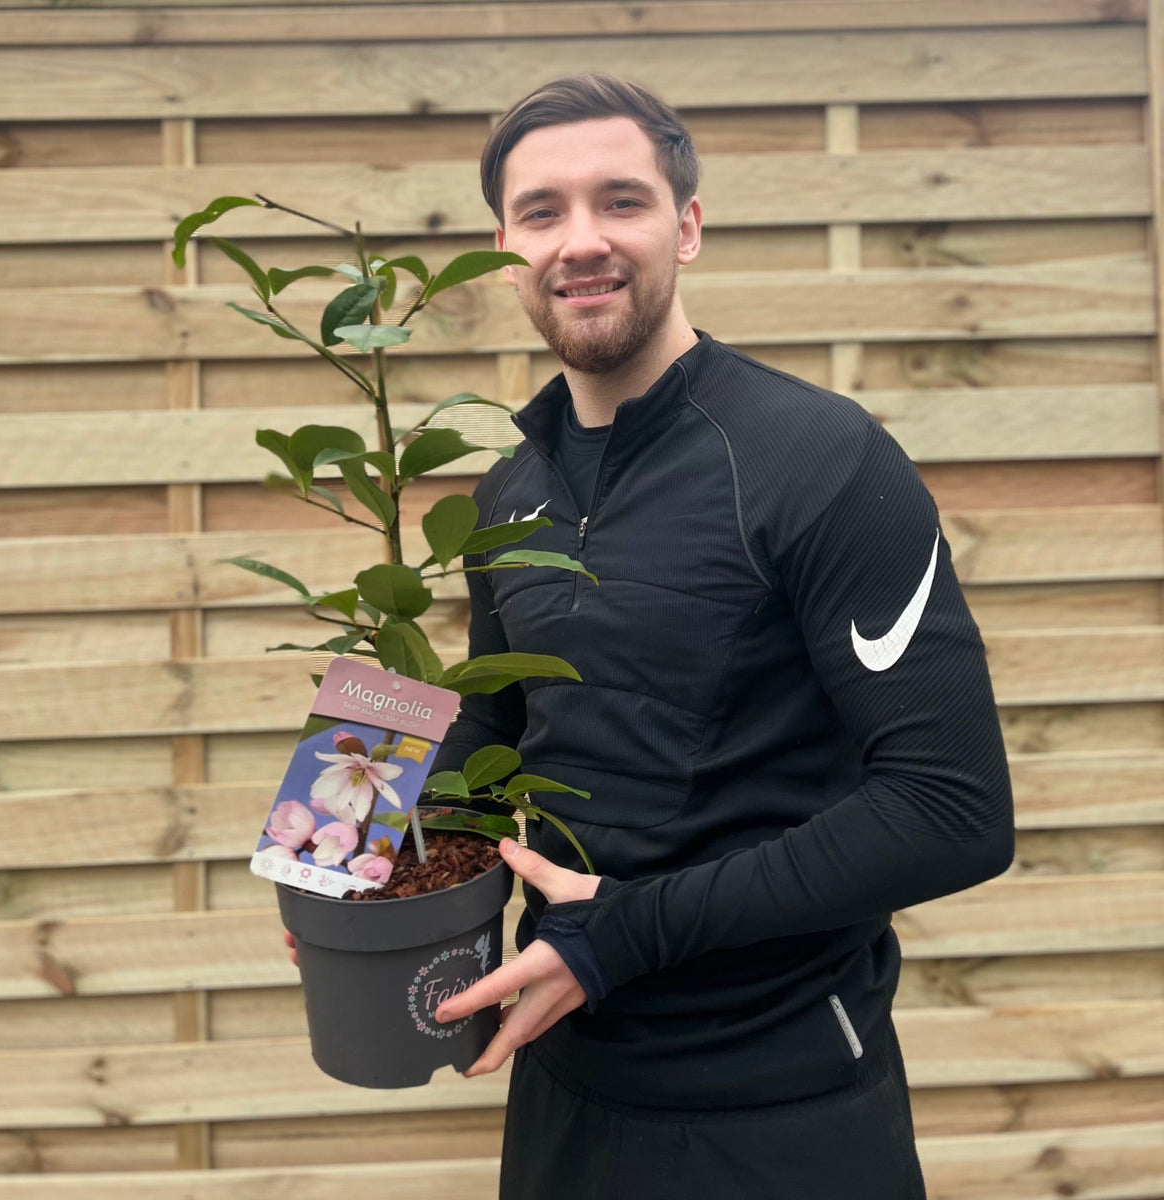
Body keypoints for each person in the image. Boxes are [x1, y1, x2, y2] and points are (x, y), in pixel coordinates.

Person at [425, 74, 1013, 1199]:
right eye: (542, 211)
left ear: (686, 226)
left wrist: (624, 934)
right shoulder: (508, 489)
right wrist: (348, 860)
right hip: (563, 1084)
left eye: (622, 201)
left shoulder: (822, 460)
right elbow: (492, 724)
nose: (581, 241)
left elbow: (954, 811)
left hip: (781, 1107)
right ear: (504, 245)